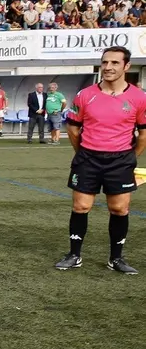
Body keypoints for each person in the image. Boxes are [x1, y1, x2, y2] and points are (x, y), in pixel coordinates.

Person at [56, 46, 146, 273]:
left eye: (115, 63)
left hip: (121, 160)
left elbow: (144, 134)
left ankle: (116, 259)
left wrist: (130, 158)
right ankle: (74, 255)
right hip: (88, 158)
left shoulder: (139, 97)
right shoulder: (85, 95)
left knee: (119, 209)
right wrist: (83, 153)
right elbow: (73, 129)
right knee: (81, 206)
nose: (108, 67)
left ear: (126, 66)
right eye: (105, 62)